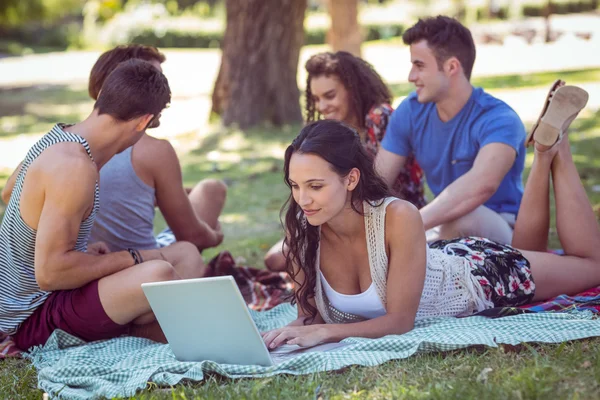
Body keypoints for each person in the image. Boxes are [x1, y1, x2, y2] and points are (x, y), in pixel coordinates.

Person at [261, 83, 597, 348]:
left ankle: (551, 151)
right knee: (535, 248)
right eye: (295, 185)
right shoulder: (302, 228)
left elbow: (399, 323)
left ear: (350, 178)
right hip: (442, 257)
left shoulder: (397, 216)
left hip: (478, 275)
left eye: (315, 186)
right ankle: (545, 148)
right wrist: (278, 338)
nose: (303, 199)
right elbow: (307, 319)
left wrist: (326, 333)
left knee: (593, 267)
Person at [0, 60, 186, 351]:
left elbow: (11, 193)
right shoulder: (75, 168)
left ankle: (144, 329)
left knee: (165, 278)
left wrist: (79, 252)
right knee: (158, 274)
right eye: (154, 123)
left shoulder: (59, 137)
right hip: (28, 318)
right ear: (143, 121)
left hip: (34, 301)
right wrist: (131, 258)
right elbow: (50, 273)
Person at [1, 45, 226, 277]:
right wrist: (215, 236)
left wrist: (61, 237)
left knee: (209, 191)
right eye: (153, 78)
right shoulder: (147, 153)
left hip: (79, 261)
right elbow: (191, 235)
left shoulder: (61, 141)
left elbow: (10, 193)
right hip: (110, 270)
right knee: (209, 199)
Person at [263, 51, 426, 271]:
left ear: (353, 89)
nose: (321, 106)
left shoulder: (380, 117)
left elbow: (377, 186)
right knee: (276, 257)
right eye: (316, 99)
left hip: (390, 217)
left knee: (295, 255)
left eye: (329, 96)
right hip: (340, 214)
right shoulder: (330, 132)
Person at [375, 16, 526, 244]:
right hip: (442, 225)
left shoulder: (498, 119)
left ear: (451, 67)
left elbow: (480, 186)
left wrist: (412, 223)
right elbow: (378, 180)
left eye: (419, 65)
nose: (411, 77)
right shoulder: (411, 110)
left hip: (503, 229)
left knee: (463, 219)